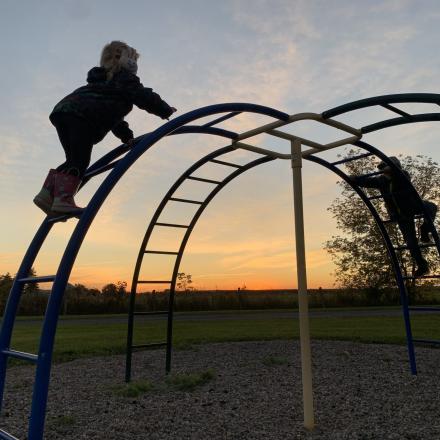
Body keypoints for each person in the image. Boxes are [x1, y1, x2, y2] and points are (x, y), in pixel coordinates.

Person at [33, 41, 176, 215]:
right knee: (80, 161)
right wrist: (164, 109)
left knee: (73, 159)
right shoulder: (123, 78)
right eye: (133, 60)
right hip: (82, 116)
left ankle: (46, 194)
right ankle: (62, 199)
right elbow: (143, 96)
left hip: (64, 113)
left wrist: (126, 137)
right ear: (127, 62)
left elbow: (114, 119)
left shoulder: (104, 83)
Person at [351, 156, 437, 277]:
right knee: (411, 241)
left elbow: (403, 176)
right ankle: (422, 265)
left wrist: (393, 169)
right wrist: (355, 179)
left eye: (385, 167)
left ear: (395, 167)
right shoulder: (381, 180)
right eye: (381, 168)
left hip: (412, 205)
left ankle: (425, 229)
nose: (383, 170)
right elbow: (367, 181)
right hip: (400, 214)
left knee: (431, 206)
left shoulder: (402, 176)